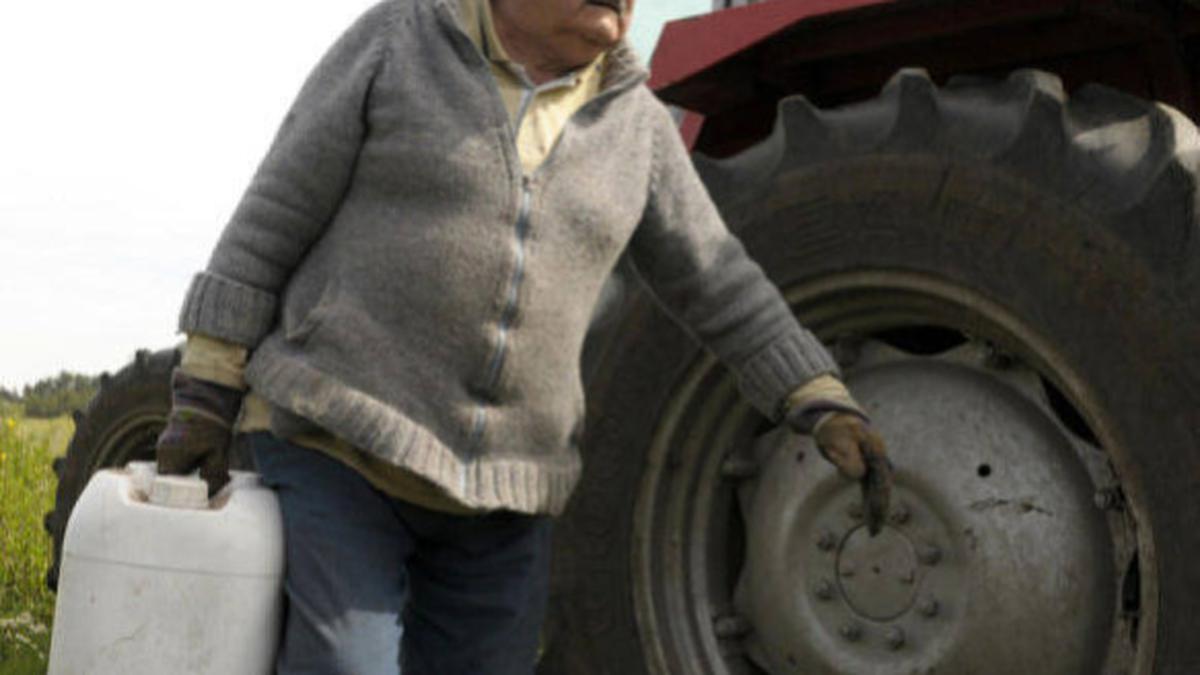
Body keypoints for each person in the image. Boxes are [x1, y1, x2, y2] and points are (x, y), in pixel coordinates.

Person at [155, 0, 892, 672]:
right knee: (346, 665)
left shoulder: (637, 126)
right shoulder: (400, 40)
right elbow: (273, 216)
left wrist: (816, 393)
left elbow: (717, 278)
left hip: (506, 497)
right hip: (341, 445)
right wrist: (205, 390)